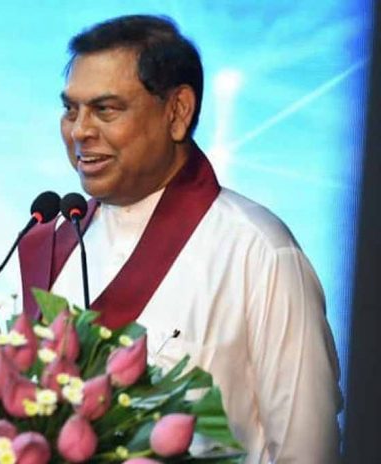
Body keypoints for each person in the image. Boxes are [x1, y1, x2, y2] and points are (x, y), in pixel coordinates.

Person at [17, 15, 342, 463]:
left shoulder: (258, 249)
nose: (80, 131)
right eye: (71, 110)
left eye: (105, 109)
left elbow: (308, 450)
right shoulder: (60, 241)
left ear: (177, 112)